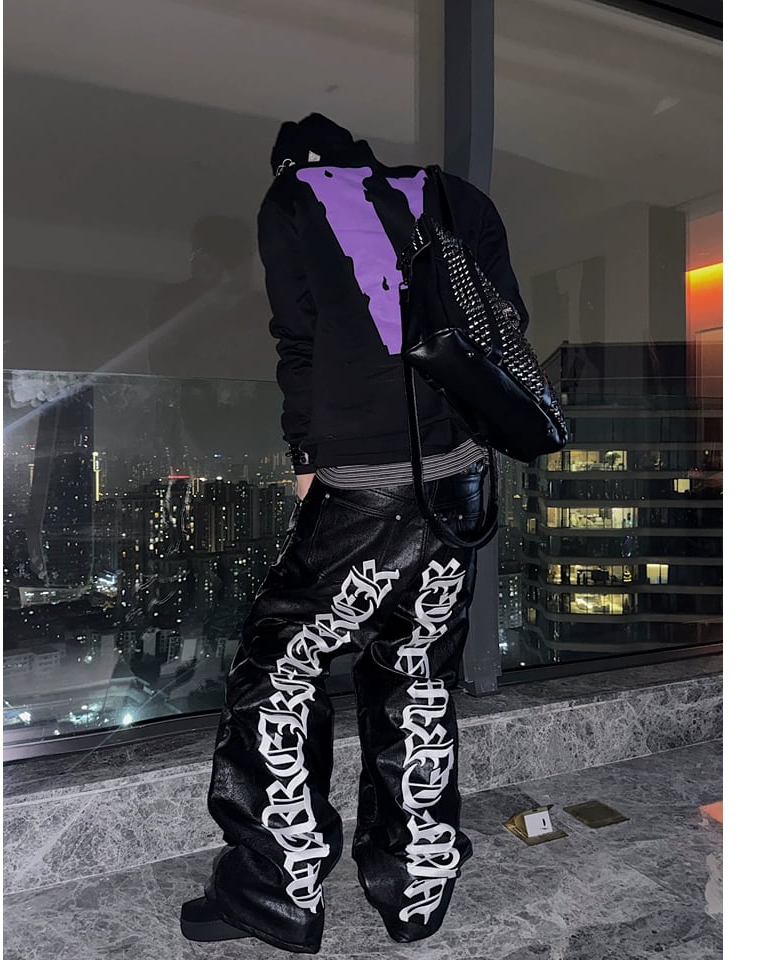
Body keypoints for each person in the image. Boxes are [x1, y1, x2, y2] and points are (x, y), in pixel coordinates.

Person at [180, 113, 529, 954]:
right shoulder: (453, 195)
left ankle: (277, 889)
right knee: (417, 670)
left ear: (293, 164)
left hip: (366, 479)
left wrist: (307, 458)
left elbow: (299, 342)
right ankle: (418, 887)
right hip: (460, 476)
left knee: (280, 662)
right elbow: (505, 323)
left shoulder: (294, 198)